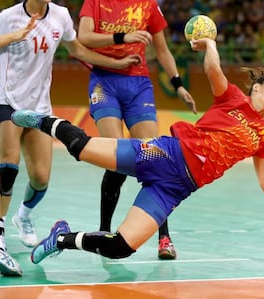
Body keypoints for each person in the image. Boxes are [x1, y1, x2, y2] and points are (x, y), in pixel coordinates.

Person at [11, 37, 264, 266]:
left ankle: (61, 239)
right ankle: (44, 120)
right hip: (166, 154)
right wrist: (210, 45)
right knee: (82, 149)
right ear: (257, 88)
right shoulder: (233, 99)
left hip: (176, 188)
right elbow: (213, 72)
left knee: (122, 247)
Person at [0, 0, 143, 277]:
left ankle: (23, 216)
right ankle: (0, 238)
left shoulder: (61, 16)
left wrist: (117, 62)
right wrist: (13, 37)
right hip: (6, 100)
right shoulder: (8, 17)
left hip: (39, 107)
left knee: (41, 179)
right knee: (7, 167)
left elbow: (77, 49)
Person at [76, 0, 197, 260]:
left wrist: (178, 84)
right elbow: (84, 37)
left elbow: (162, 51)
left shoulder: (149, 5)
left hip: (138, 84)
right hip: (104, 82)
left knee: (155, 158)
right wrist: (124, 36)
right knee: (116, 154)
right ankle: (104, 231)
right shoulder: (95, 2)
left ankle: (164, 237)